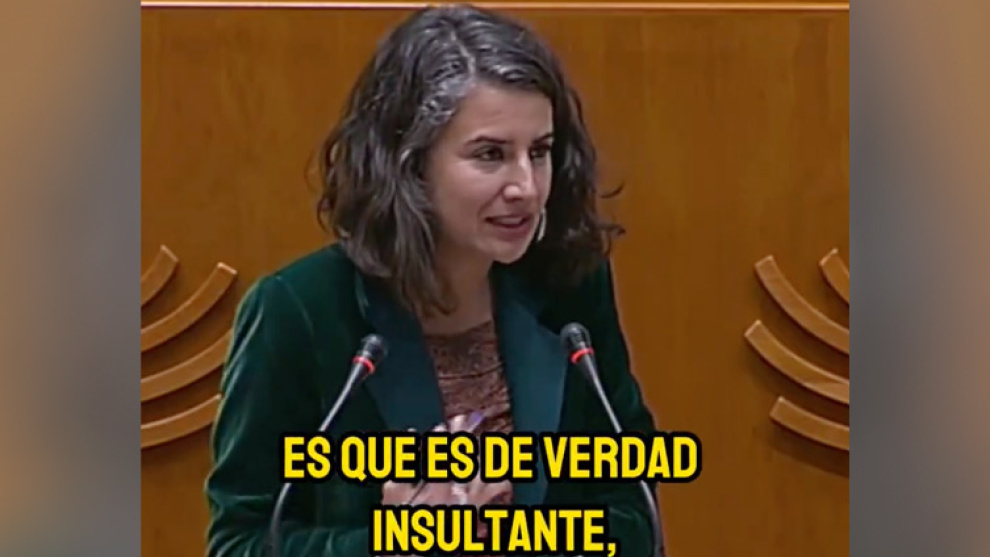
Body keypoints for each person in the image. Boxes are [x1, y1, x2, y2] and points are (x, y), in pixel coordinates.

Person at [204, 4, 664, 557]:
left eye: (540, 152)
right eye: (490, 154)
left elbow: (635, 508)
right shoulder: (298, 312)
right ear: (411, 164)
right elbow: (241, 542)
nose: (525, 186)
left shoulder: (569, 286)